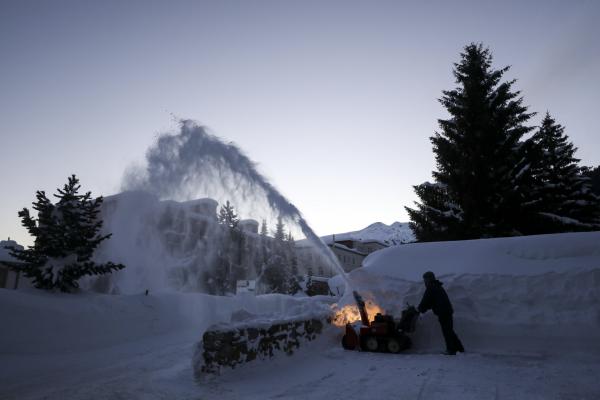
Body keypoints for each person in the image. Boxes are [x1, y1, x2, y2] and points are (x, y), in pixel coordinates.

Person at [418, 271, 465, 355]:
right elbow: (431, 301)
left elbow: (426, 300)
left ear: (429, 279)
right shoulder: (436, 286)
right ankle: (459, 348)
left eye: (425, 279)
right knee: (449, 330)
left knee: (447, 331)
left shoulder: (431, 287)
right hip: (447, 311)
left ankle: (451, 350)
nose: (424, 281)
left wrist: (420, 309)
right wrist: (424, 308)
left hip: (443, 312)